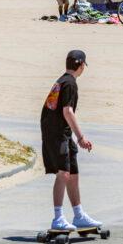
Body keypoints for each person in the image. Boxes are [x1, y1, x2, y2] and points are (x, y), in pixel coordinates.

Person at [40, 50, 102, 231]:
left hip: (62, 133)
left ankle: (79, 215)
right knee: (63, 173)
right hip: (57, 134)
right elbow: (67, 111)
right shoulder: (70, 84)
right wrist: (81, 137)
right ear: (81, 65)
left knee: (73, 174)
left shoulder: (62, 80)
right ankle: (58, 218)